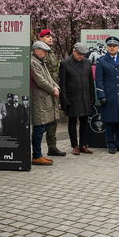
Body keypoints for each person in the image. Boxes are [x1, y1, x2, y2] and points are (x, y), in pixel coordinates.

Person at [95, 36, 119, 154]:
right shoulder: (101, 61)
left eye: (114, 46)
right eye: (110, 46)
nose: (112, 48)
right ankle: (111, 144)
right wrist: (101, 95)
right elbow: (99, 80)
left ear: (118, 47)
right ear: (107, 47)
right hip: (109, 95)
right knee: (110, 122)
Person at [58, 42, 95, 155]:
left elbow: (90, 81)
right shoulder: (65, 64)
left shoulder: (87, 62)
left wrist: (92, 97)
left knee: (84, 122)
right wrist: (64, 99)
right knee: (72, 122)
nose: (81, 56)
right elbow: (62, 84)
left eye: (83, 54)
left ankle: (83, 144)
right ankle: (75, 145)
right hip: (72, 98)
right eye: (79, 54)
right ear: (73, 51)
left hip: (85, 97)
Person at [37, 28, 67, 158]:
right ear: (40, 39)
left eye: (51, 37)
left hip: (54, 90)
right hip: (44, 91)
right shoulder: (39, 54)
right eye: (47, 36)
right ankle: (37, 151)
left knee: (54, 119)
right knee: (43, 121)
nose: (50, 38)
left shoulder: (52, 53)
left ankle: (52, 147)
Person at [30, 40, 59, 165]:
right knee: (39, 127)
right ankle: (36, 155)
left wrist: (56, 87)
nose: (46, 54)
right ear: (36, 51)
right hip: (39, 100)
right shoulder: (33, 62)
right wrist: (53, 90)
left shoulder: (41, 62)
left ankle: (39, 154)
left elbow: (49, 78)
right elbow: (40, 81)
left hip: (45, 99)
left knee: (43, 126)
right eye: (44, 51)